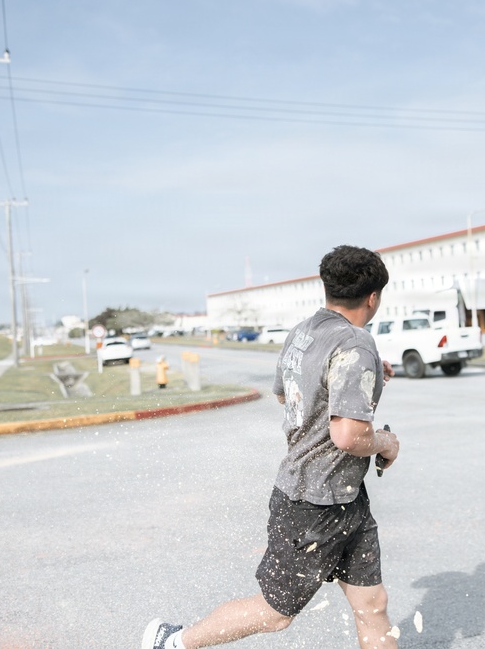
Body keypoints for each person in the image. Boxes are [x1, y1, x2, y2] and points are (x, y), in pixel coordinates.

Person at [143, 245, 401, 649]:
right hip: (313, 504)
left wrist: (364, 375)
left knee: (372, 603)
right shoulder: (356, 344)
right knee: (274, 613)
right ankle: (172, 642)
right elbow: (348, 436)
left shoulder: (305, 332)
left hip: (345, 497)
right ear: (373, 297)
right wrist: (385, 442)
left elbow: (288, 394)